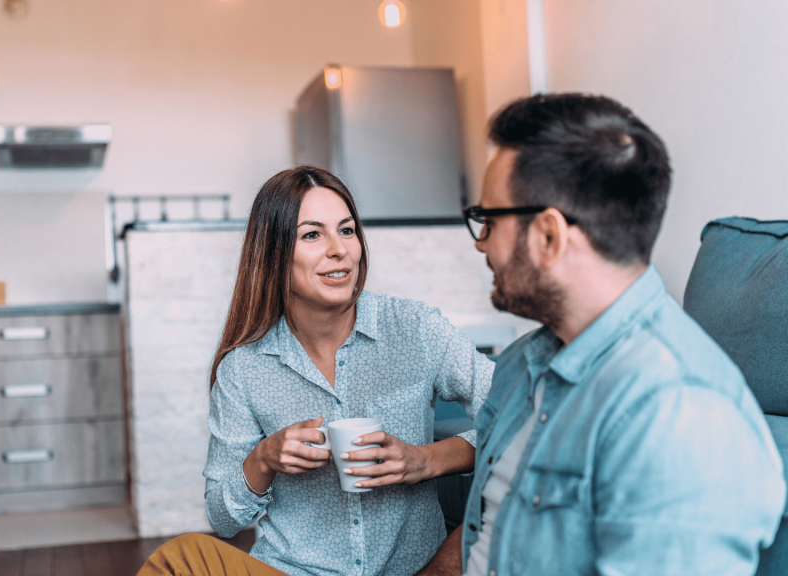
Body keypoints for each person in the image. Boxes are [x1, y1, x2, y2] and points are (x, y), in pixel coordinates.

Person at [417, 93, 786, 576]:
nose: (480, 242)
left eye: (488, 220)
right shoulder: (519, 364)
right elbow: (484, 528)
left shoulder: (681, 414)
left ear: (549, 236)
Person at [139, 166, 494, 575]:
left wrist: (427, 460)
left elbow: (523, 416)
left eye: (347, 230)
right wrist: (262, 459)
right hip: (292, 570)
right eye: (312, 234)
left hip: (413, 570)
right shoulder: (244, 369)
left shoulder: (414, 328)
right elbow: (223, 518)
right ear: (274, 254)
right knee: (179, 558)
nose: (339, 249)